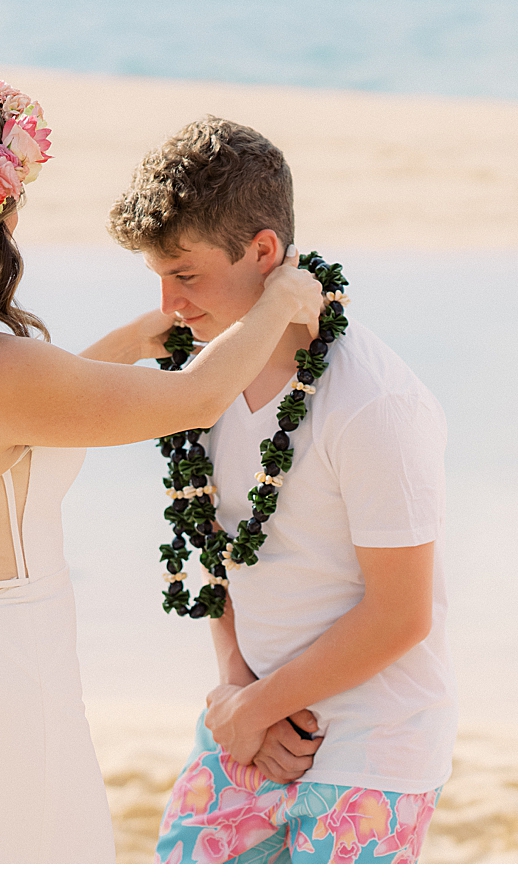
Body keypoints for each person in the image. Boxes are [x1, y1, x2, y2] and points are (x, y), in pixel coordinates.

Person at [0, 81, 323, 863]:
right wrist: (279, 298)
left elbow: (6, 438)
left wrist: (123, 342)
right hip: (6, 664)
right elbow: (193, 399)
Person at [106, 117, 455, 864]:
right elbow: (217, 541)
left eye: (187, 274)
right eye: (158, 278)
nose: (170, 303)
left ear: (265, 251)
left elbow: (402, 614)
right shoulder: (203, 380)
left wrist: (258, 706)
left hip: (371, 744)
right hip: (246, 717)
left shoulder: (372, 401)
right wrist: (237, 690)